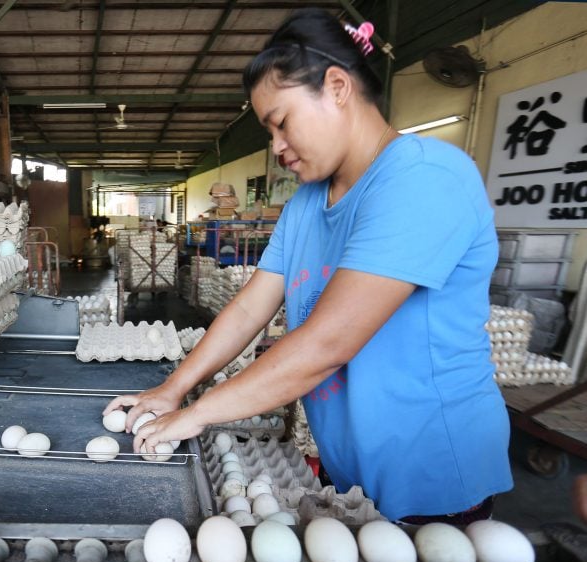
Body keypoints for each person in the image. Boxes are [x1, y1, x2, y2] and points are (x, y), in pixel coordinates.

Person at [105, 8, 513, 524]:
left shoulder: (424, 179)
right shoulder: (306, 203)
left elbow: (327, 345)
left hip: (431, 471)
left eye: (281, 123)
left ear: (337, 87)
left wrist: (196, 416)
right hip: (349, 463)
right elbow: (251, 305)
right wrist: (173, 388)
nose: (276, 147)